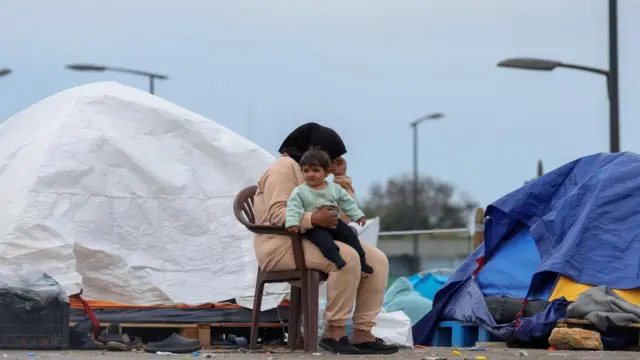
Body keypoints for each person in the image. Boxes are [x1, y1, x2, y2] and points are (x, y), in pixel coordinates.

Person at [252, 122, 398, 355]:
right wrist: (313, 219)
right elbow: (277, 214)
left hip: (311, 241)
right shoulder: (285, 167)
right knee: (347, 257)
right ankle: (335, 332)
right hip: (279, 245)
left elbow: (342, 218)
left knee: (377, 259)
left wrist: (340, 179)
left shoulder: (318, 177)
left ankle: (362, 333)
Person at [285, 147, 374, 274]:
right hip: (314, 227)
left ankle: (362, 261)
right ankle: (336, 259)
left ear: (326, 172)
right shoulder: (299, 191)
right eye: (306, 170)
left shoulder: (334, 188)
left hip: (333, 222)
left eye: (316, 170)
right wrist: (292, 223)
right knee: (324, 241)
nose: (310, 174)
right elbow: (293, 207)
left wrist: (358, 216)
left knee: (350, 235)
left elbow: (347, 202)